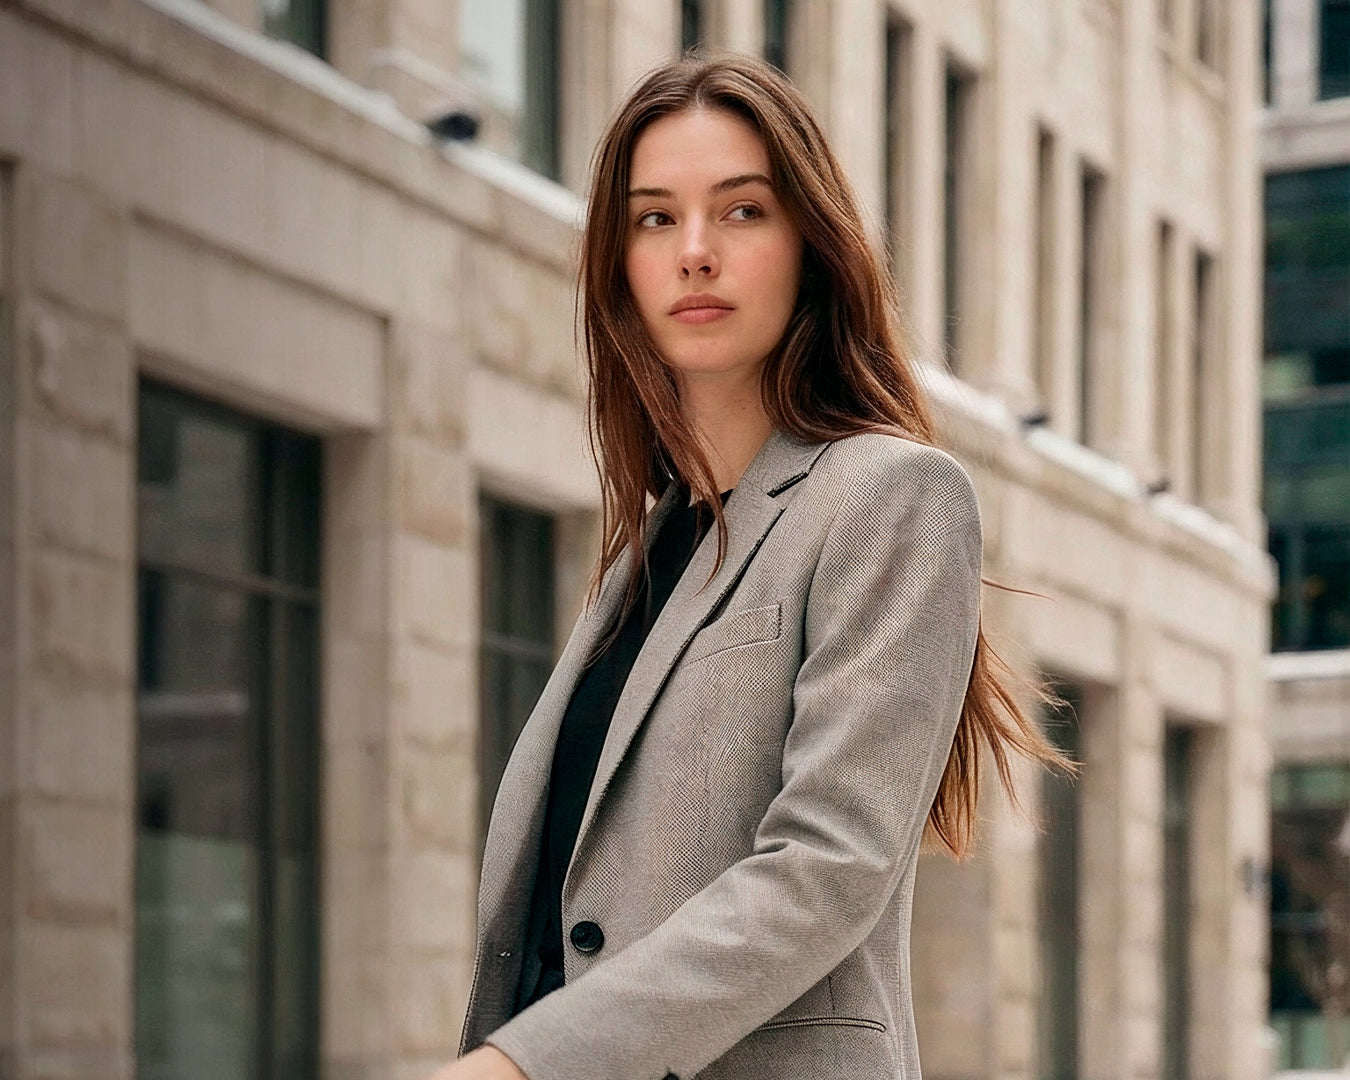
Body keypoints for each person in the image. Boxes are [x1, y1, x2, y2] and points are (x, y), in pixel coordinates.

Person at [431, 53, 1070, 1080]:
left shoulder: (890, 495)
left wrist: (526, 1063)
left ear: (810, 246)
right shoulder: (646, 554)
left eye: (740, 212)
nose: (695, 253)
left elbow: (825, 868)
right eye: (655, 219)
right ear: (619, 268)